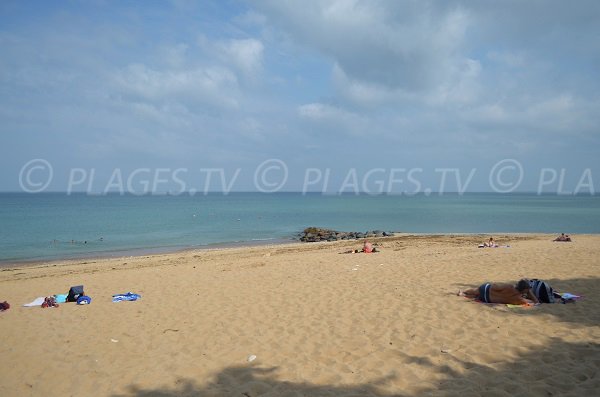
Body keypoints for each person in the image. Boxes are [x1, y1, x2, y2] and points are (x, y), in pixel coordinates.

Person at [458, 279, 538, 304]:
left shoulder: (509, 287)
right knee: (477, 295)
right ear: (524, 290)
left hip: (486, 289)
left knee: (476, 291)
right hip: (487, 299)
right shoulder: (519, 299)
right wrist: (530, 292)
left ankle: (463, 292)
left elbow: (496, 286)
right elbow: (535, 302)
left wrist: (490, 286)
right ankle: (463, 295)